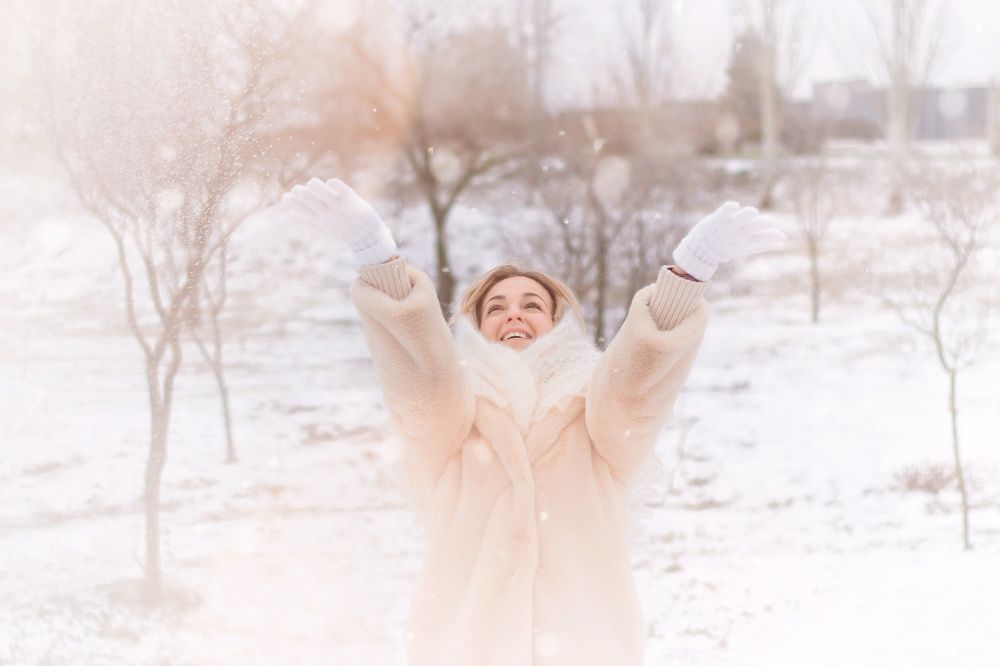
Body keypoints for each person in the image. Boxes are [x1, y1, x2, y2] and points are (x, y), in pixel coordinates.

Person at [280, 178, 786, 666]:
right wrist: (379, 260)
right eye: (495, 307)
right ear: (477, 327)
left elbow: (634, 394)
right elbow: (424, 387)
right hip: (465, 645)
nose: (513, 315)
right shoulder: (454, 412)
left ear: (557, 319)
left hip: (586, 646)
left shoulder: (595, 408)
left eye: (532, 305)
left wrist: (686, 276)